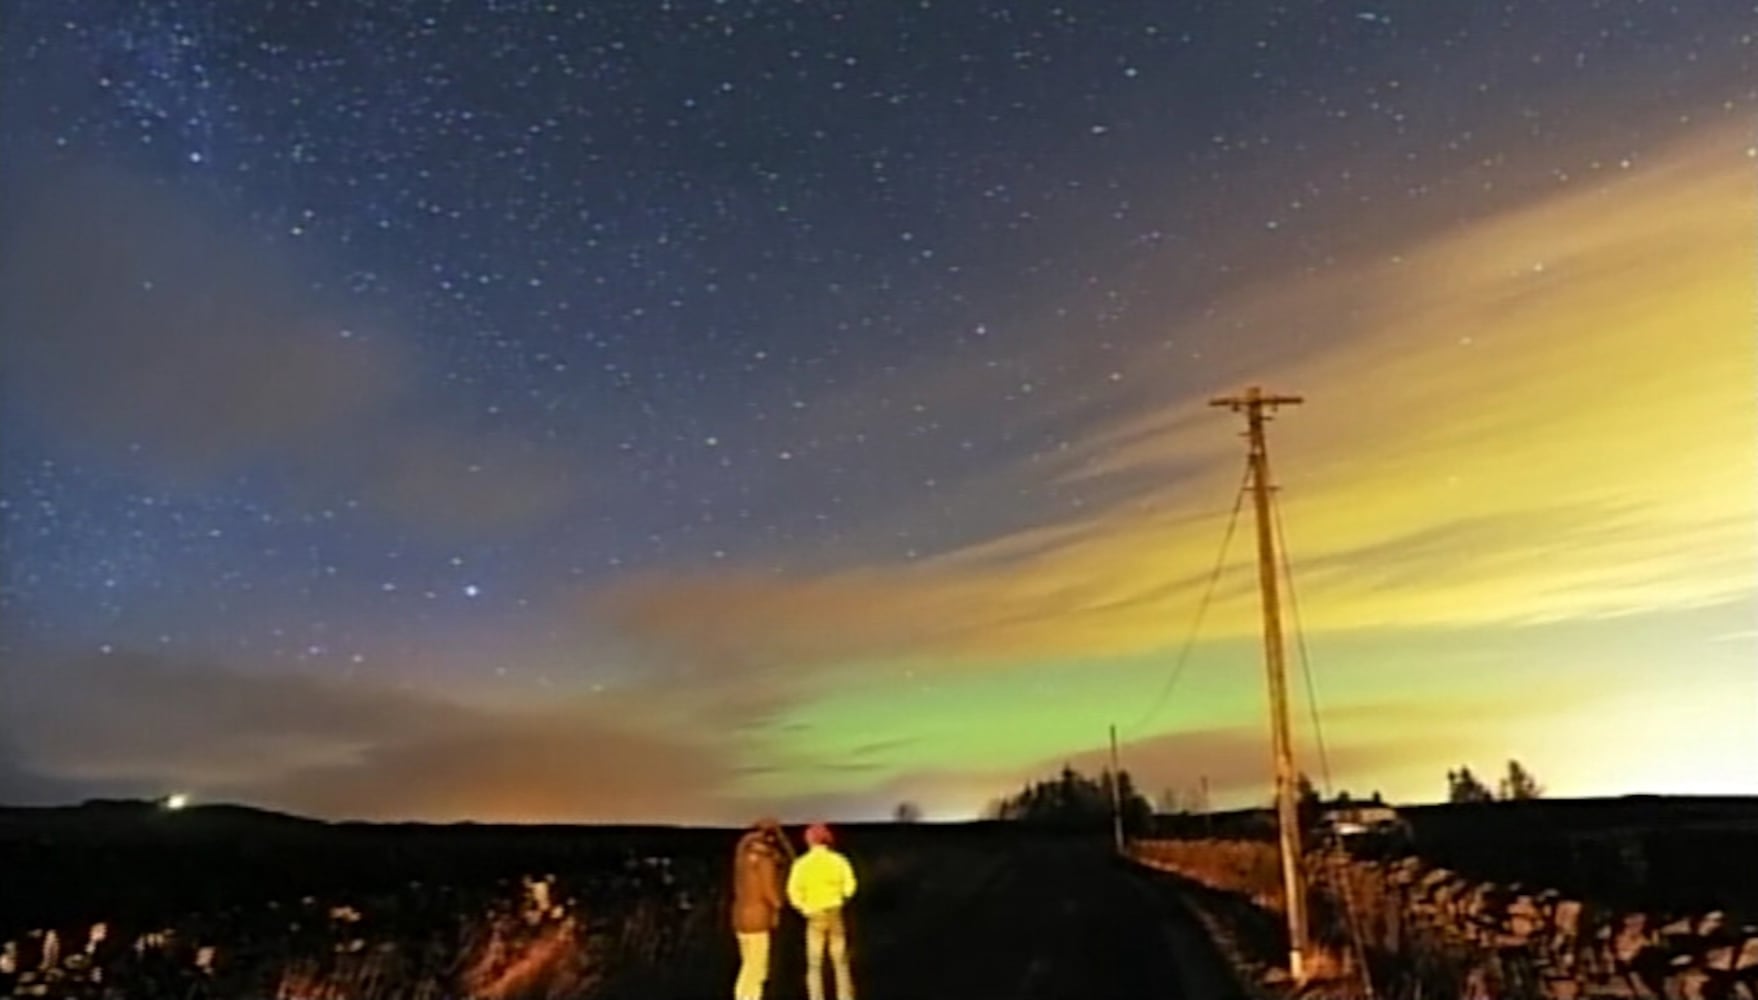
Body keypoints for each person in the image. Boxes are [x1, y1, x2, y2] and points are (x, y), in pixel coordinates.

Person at [786, 822, 857, 1000]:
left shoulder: (802, 864)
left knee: (814, 963)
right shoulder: (838, 861)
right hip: (834, 911)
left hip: (814, 914)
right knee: (840, 960)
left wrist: (803, 907)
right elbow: (850, 886)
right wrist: (841, 898)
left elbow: (793, 891)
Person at [730, 817, 791, 1000]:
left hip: (740, 917)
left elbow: (742, 845)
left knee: (747, 964)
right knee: (757, 969)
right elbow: (770, 891)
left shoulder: (741, 859)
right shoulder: (764, 861)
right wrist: (780, 904)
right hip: (758, 919)